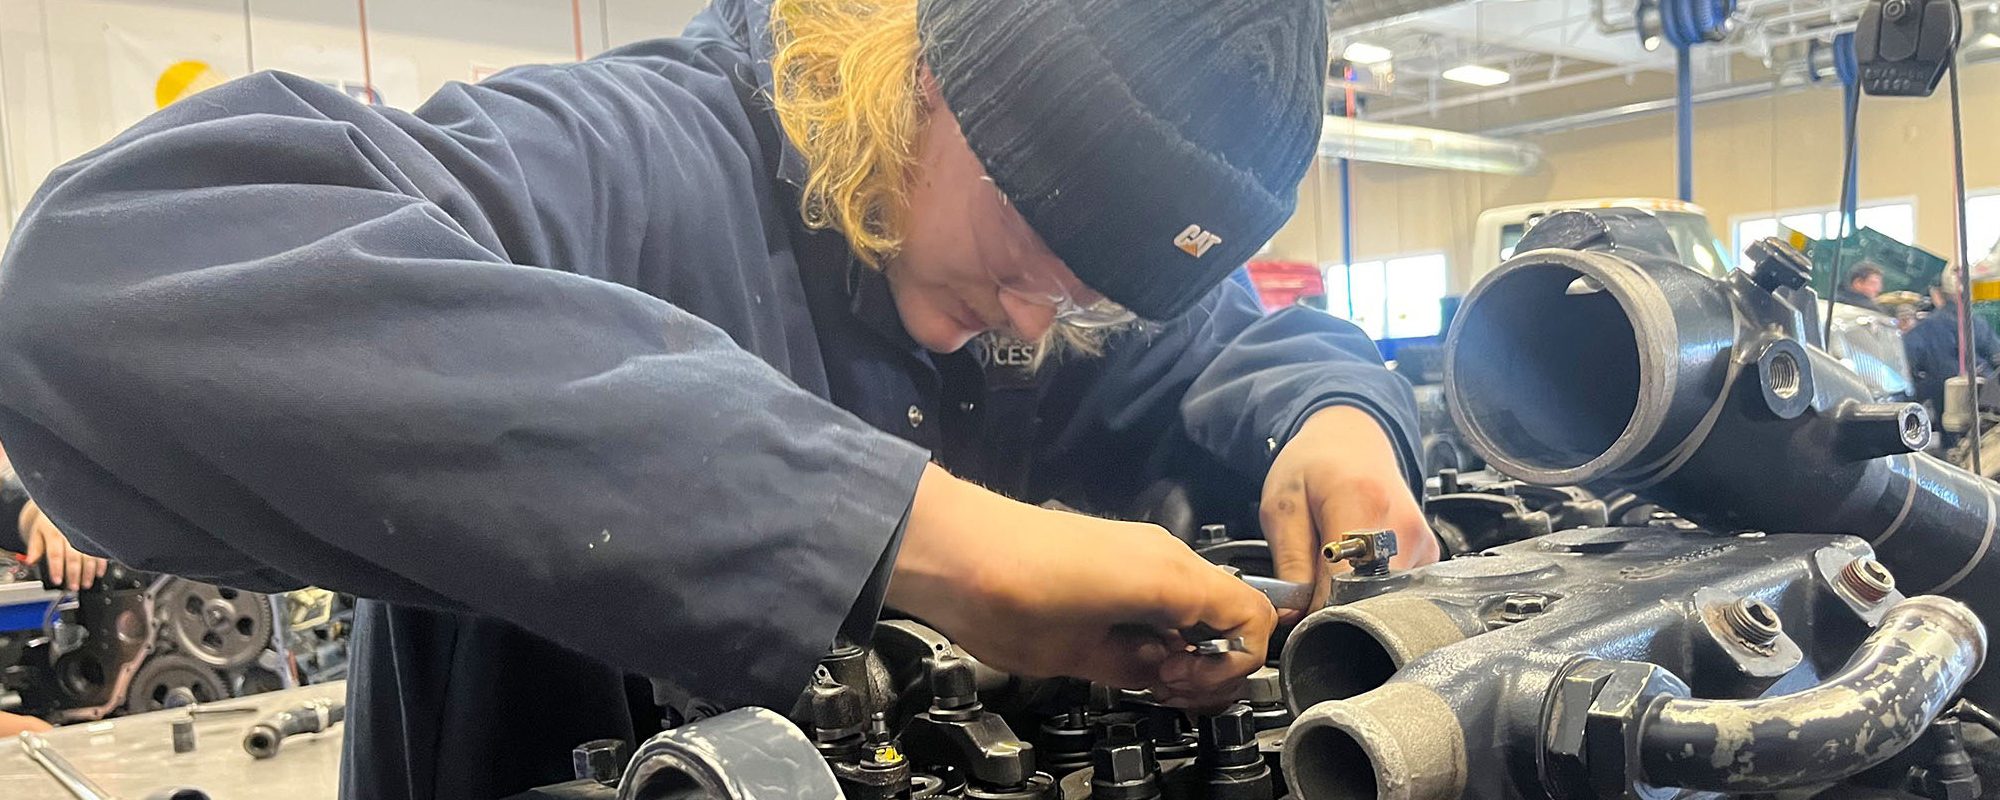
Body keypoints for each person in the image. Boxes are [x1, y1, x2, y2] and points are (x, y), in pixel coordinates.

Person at [0, 0, 1436, 797]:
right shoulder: (636, 160)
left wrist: (1335, 418)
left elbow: (1225, 351)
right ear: (930, 77)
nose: (1036, 323)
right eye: (1027, 255)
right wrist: (923, 538)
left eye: (1094, 302)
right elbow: (94, 289)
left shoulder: (1063, 287)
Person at [1904, 265, 2000, 416]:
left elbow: (1907, 365)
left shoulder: (1925, 329)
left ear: (1936, 294)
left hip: (1946, 406)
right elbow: (1996, 356)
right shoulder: (1979, 324)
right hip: (1984, 403)